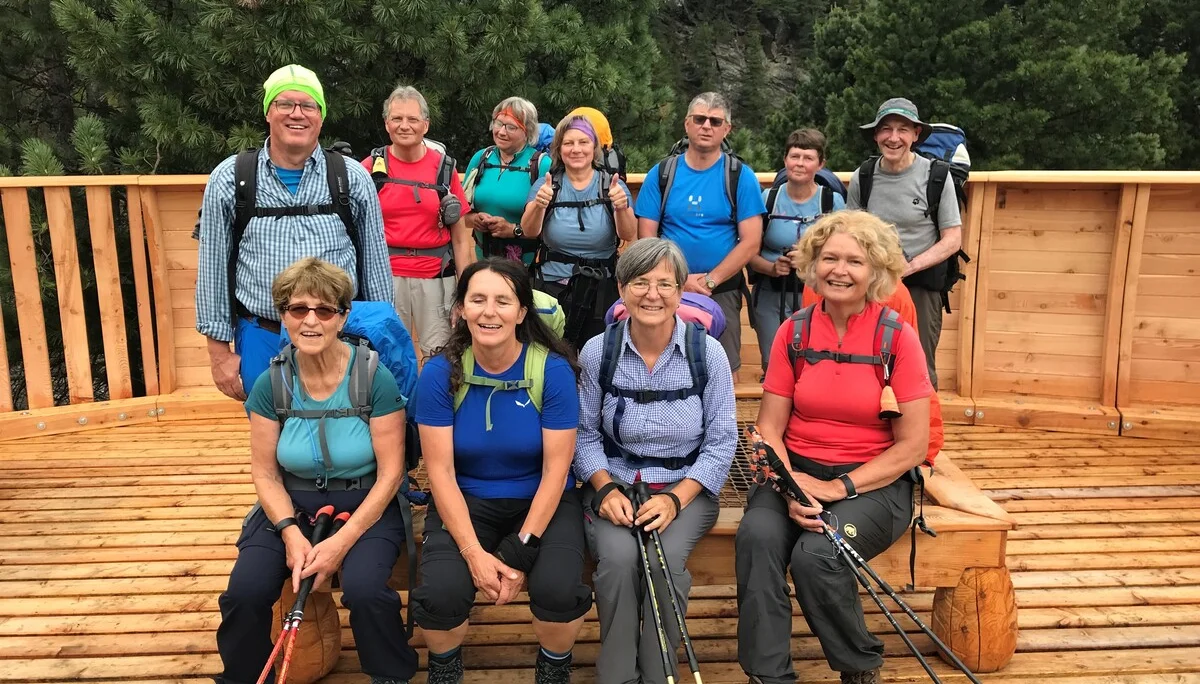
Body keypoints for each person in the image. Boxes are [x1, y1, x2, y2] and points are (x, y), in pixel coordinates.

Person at [735, 210, 933, 684]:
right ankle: (768, 675)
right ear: (812, 264)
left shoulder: (898, 338)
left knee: (818, 553)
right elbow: (769, 429)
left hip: (873, 481)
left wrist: (837, 488)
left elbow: (913, 446)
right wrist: (791, 490)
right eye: (828, 258)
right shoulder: (794, 332)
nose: (839, 270)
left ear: (876, 272)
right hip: (795, 471)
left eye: (854, 261)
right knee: (757, 538)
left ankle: (858, 666)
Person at [215, 258, 417, 684]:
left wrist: (341, 543)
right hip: (291, 503)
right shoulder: (272, 383)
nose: (310, 320)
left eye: (324, 310)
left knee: (365, 592)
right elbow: (265, 474)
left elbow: (391, 474)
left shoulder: (372, 378)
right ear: (282, 315)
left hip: (365, 502)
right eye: (297, 309)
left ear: (342, 317)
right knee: (244, 593)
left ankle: (391, 675)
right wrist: (290, 533)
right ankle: (244, 677)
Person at [411, 258, 592, 684]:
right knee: (440, 594)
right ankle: (445, 666)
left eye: (502, 301)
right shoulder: (439, 374)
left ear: (522, 312)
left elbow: (556, 470)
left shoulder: (552, 370)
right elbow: (439, 473)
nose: (489, 312)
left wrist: (518, 549)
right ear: (461, 310)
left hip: (543, 501)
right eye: (477, 299)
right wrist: (474, 554)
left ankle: (553, 666)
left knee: (559, 590)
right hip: (465, 499)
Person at [575, 238, 737, 684]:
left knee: (664, 562)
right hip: (616, 485)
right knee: (619, 561)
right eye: (640, 282)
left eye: (665, 284)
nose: (652, 294)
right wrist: (604, 489)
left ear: (682, 291)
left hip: (686, 487)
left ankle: (658, 672)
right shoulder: (597, 352)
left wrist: (674, 501)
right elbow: (584, 435)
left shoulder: (709, 355)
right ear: (622, 289)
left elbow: (722, 442)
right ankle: (617, 675)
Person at [195, 64, 392, 400]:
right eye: (285, 104)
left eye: (308, 106)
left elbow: (375, 266)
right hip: (263, 334)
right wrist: (219, 355)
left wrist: (383, 336)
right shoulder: (230, 178)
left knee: (345, 437)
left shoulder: (350, 178)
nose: (296, 114)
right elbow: (212, 270)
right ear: (268, 112)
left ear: (321, 116)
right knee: (271, 439)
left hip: (341, 338)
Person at [636, 92, 765, 372]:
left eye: (715, 121)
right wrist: (678, 280)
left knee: (722, 369)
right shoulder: (661, 174)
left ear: (727, 129)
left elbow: (751, 242)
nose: (707, 126)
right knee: (665, 366)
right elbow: (646, 238)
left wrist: (709, 281)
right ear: (687, 124)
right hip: (667, 290)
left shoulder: (740, 176)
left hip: (721, 291)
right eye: (700, 119)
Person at [847, 97, 962, 388]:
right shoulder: (864, 175)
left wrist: (908, 267)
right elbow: (850, 232)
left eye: (903, 129)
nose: (893, 137)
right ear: (876, 135)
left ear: (916, 134)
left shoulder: (936, 176)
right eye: (886, 129)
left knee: (919, 364)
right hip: (870, 285)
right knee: (865, 359)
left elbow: (952, 239)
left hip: (921, 286)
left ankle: (924, 432)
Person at [366, 85, 474, 357]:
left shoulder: (443, 168)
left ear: (425, 125)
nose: (405, 126)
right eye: (397, 118)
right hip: (385, 277)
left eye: (412, 119)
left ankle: (433, 401)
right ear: (386, 123)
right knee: (386, 353)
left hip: (436, 276)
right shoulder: (369, 168)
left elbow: (461, 239)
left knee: (441, 354)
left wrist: (466, 292)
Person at [522, 113, 636, 348]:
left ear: (594, 146)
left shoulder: (611, 186)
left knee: (596, 355)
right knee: (551, 352)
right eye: (568, 143)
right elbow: (529, 231)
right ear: (559, 148)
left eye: (583, 142)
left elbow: (627, 234)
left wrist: (622, 207)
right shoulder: (546, 184)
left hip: (601, 288)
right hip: (553, 286)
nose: (576, 149)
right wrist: (539, 205)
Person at [749, 128, 846, 372]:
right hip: (771, 293)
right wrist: (772, 268)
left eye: (808, 158)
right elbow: (748, 252)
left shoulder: (832, 202)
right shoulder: (767, 198)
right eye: (795, 156)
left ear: (821, 164)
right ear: (785, 159)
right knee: (773, 366)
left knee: (816, 365)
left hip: (819, 296)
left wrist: (808, 260)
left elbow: (845, 252)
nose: (800, 164)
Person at [463, 97, 553, 264]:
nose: (502, 132)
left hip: (524, 266)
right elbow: (463, 213)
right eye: (498, 124)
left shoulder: (541, 165)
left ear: (527, 131)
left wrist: (513, 230)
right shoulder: (481, 158)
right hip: (483, 261)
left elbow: (553, 226)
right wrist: (475, 220)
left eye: (511, 127)